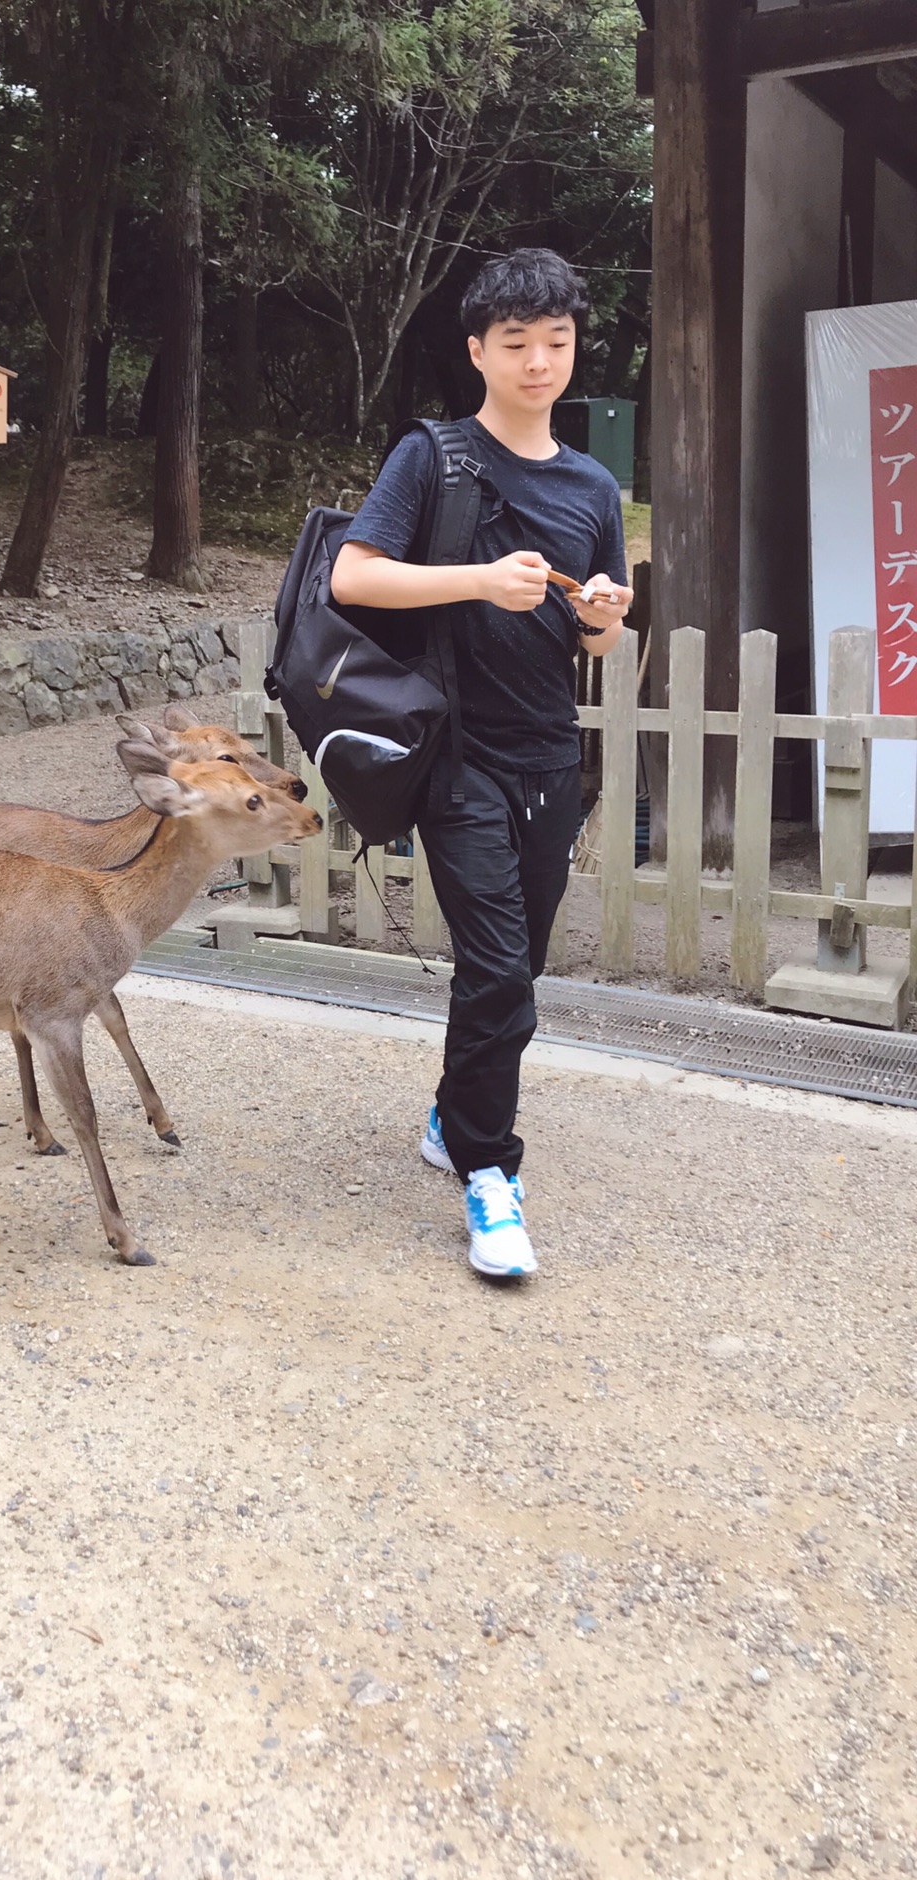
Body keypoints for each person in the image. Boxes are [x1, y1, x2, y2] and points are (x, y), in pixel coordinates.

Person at [330, 248, 632, 1280]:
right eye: (516, 344)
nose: (540, 362)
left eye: (556, 342)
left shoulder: (594, 483)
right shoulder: (436, 457)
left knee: (514, 968)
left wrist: (601, 619)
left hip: (554, 756)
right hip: (456, 755)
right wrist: (476, 581)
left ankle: (451, 1113)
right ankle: (489, 1175)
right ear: (477, 351)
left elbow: (597, 643)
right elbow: (354, 575)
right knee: (501, 968)